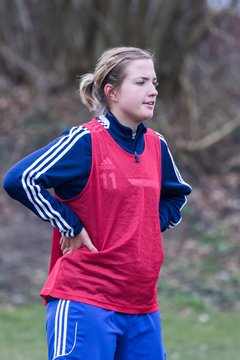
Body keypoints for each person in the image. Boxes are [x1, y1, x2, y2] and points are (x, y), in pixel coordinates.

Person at [3, 46, 192, 360]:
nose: (153, 91)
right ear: (112, 92)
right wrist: (70, 225)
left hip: (142, 306)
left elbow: (176, 197)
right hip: (84, 299)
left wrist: (143, 223)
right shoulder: (85, 141)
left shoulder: (156, 146)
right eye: (141, 82)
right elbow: (19, 179)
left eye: (155, 83)